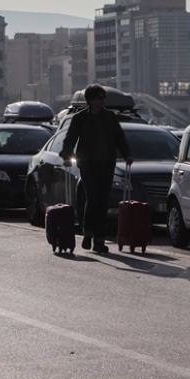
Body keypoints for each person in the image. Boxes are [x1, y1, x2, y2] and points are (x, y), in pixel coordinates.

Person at [60, 84, 132, 253]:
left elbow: (119, 137)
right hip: (87, 164)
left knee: (103, 202)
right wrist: (66, 156)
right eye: (100, 98)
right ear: (91, 100)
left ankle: (99, 240)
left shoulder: (109, 117)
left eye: (104, 97)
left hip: (107, 164)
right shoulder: (80, 118)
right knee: (93, 198)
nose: (103, 100)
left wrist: (127, 154)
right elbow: (70, 138)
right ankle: (88, 233)